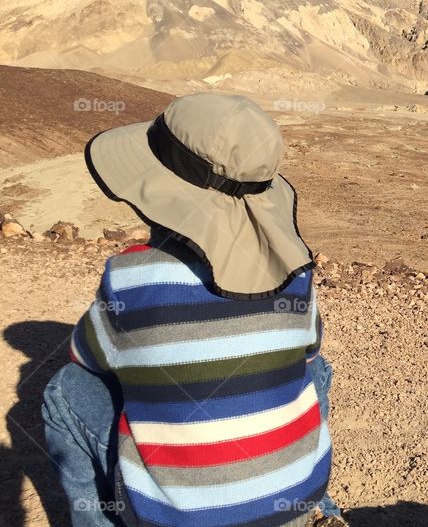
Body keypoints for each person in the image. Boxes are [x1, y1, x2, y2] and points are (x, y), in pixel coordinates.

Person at [41, 94, 343, 527]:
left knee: (65, 391)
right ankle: (317, 506)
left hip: (178, 519)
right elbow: (310, 351)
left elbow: (85, 358)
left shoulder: (131, 275)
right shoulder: (293, 271)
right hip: (291, 505)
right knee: (315, 371)